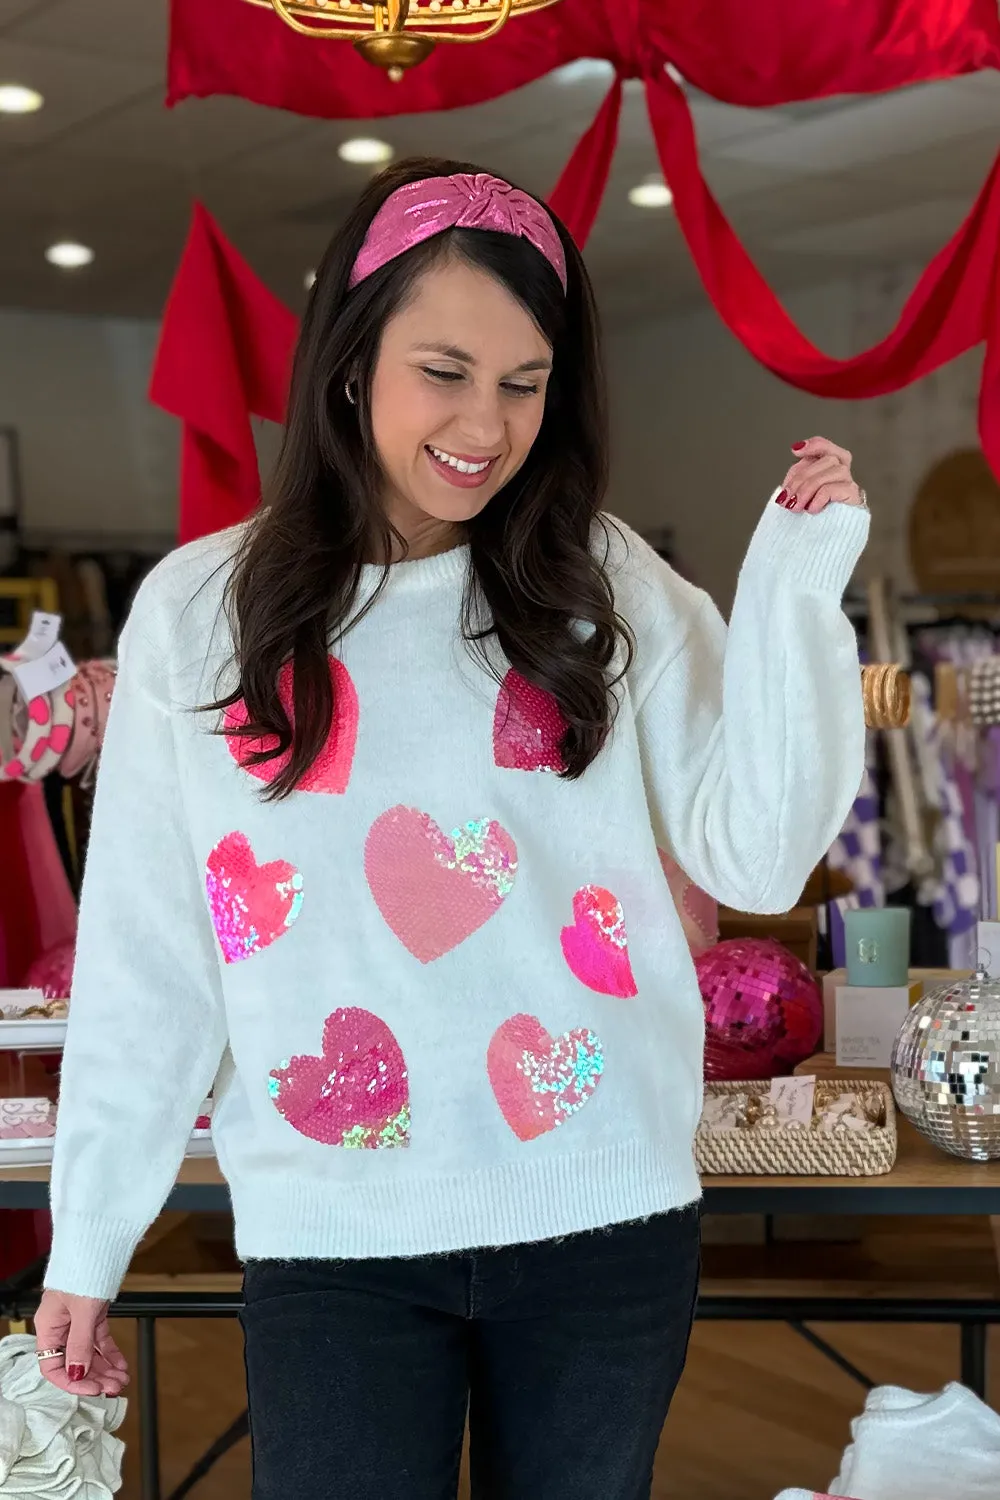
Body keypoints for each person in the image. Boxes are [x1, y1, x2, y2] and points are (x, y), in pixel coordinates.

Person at [34, 157, 869, 1499]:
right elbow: (153, 951)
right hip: (335, 1231)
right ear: (354, 364)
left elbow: (756, 855)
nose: (486, 423)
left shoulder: (604, 589)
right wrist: (89, 1237)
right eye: (445, 370)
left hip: (603, 1215)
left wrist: (792, 586)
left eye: (525, 381)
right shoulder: (206, 612)